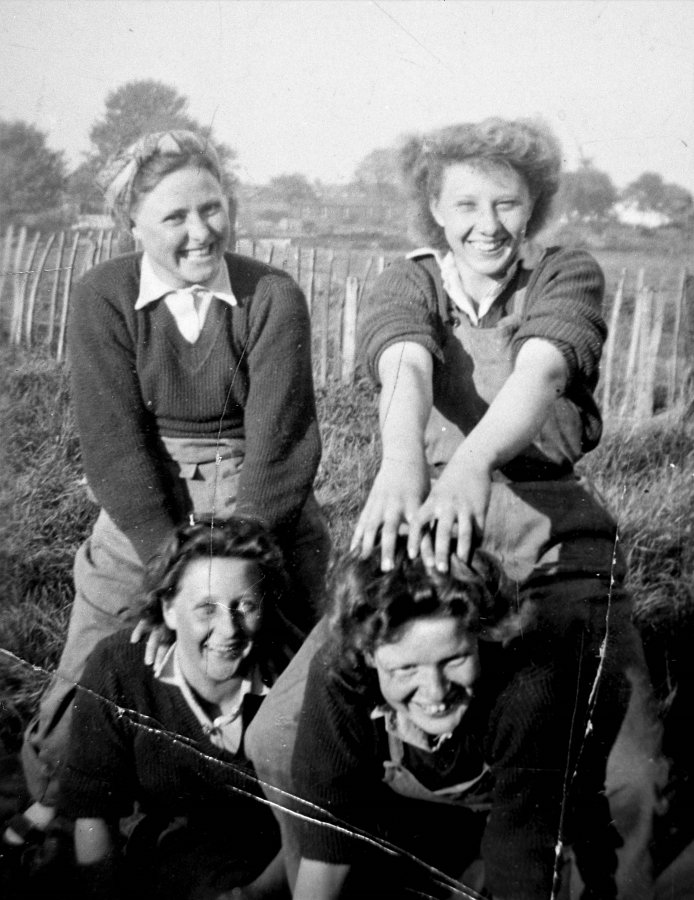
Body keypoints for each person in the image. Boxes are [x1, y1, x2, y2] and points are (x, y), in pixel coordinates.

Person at [246, 117, 652, 898]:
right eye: (465, 204)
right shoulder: (410, 280)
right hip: (424, 532)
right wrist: (404, 463)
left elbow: (540, 370)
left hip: (546, 535)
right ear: (434, 207)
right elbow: (405, 360)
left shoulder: (566, 273)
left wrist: (471, 462)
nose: (486, 225)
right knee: (278, 735)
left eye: (507, 203)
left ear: (533, 207)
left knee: (630, 778)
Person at [7, 130, 329, 850]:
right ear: (133, 225)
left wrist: (233, 564)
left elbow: (281, 444)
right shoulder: (105, 296)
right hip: (147, 500)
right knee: (99, 652)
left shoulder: (272, 296)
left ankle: (290, 824)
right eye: (175, 218)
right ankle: (64, 798)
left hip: (258, 504)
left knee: (289, 655)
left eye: (212, 209)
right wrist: (166, 576)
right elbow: (113, 443)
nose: (200, 232)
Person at [290, 540, 602, 900]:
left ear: (481, 635)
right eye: (406, 668)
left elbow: (521, 856)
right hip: (413, 823)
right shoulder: (339, 676)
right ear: (368, 654)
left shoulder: (527, 689)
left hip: (526, 816)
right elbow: (328, 841)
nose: (435, 692)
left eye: (454, 660)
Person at [56, 518, 295, 899]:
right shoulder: (121, 668)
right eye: (206, 609)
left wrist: (250, 896)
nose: (229, 629)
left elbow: (320, 829)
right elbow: (92, 812)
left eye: (245, 606)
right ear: (167, 609)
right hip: (172, 851)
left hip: (279, 862)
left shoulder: (292, 678)